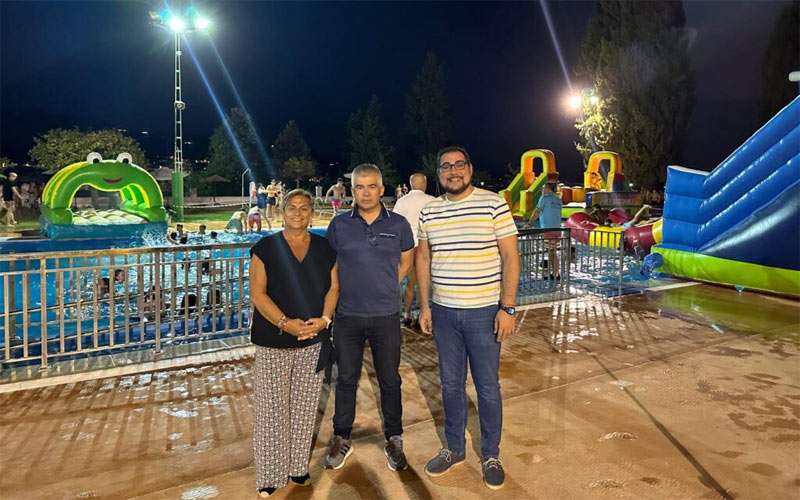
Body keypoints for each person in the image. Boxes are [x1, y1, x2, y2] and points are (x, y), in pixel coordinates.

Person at [416, 146, 520, 490]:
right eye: (445, 166)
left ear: (470, 169)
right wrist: (426, 306)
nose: (453, 171)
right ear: (438, 173)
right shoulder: (429, 212)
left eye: (459, 164)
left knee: (488, 387)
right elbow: (424, 261)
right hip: (444, 314)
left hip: (484, 312)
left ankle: (490, 453)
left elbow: (510, 257)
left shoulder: (493, 204)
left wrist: (507, 308)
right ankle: (454, 448)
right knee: (450, 385)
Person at [324, 163, 414, 472]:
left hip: (385, 316)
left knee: (390, 379)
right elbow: (331, 267)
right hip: (347, 317)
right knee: (346, 379)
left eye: (371, 186)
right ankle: (341, 436)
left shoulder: (400, 224)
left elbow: (406, 261)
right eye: (359, 187)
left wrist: (387, 286)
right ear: (352, 190)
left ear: (381, 188)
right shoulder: (338, 225)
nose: (365, 192)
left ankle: (395, 437)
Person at [249, 189, 339, 497]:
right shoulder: (265, 248)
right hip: (274, 338)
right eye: (292, 208)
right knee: (272, 408)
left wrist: (325, 319)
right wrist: (285, 324)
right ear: (281, 212)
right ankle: (270, 474)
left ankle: (297, 467)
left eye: (304, 208)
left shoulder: (326, 248)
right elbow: (258, 295)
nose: (298, 213)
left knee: (304, 407)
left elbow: (333, 288)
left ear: (312, 212)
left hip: (313, 338)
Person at [391, 173, 435, 327]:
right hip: (426, 247)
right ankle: (425, 311)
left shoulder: (402, 202)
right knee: (427, 283)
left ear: (410, 184)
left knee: (410, 283)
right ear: (425, 183)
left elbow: (394, 225)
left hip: (407, 247)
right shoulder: (432, 201)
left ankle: (406, 313)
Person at [526, 182, 563, 279]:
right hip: (557, 230)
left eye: (543, 188)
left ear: (548, 188)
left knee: (551, 252)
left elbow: (537, 211)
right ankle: (555, 273)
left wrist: (529, 224)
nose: (542, 190)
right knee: (553, 251)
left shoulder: (544, 198)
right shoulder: (558, 199)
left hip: (548, 229)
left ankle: (555, 274)